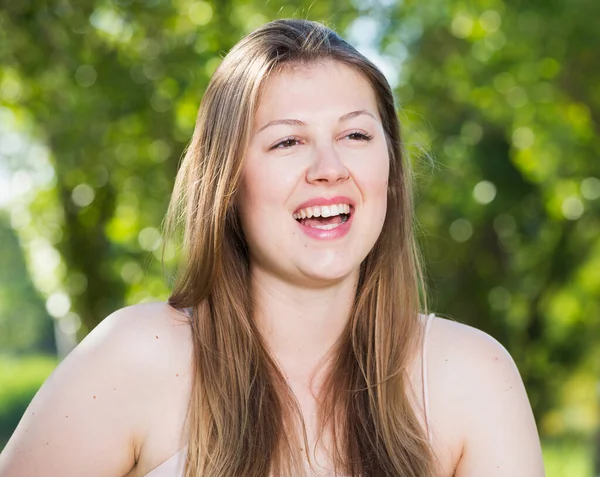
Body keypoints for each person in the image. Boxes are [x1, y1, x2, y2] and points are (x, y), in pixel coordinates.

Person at [0, 19, 545, 477]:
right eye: (287, 141)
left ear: (391, 172)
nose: (329, 170)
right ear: (229, 183)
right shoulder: (134, 358)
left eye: (355, 136)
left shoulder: (471, 375)